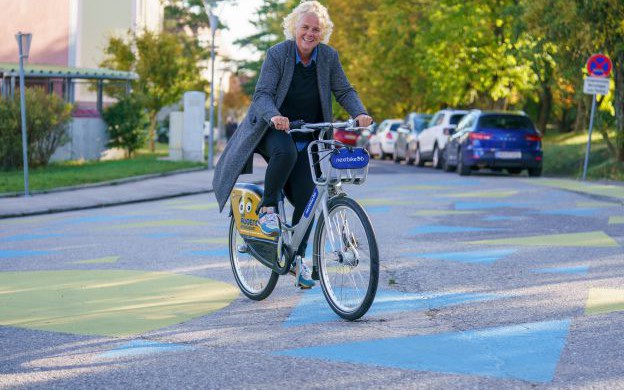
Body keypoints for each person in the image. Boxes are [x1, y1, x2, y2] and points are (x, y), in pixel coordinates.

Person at [212, 0, 372, 288]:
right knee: (283, 150)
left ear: (323, 33)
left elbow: (344, 90)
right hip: (273, 128)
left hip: (309, 133)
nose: (310, 33)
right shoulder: (278, 55)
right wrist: (275, 116)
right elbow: (262, 95)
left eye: (316, 29)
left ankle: (296, 260)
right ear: (294, 27)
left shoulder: (328, 58)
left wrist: (358, 112)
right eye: (305, 27)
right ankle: (268, 208)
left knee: (309, 200)